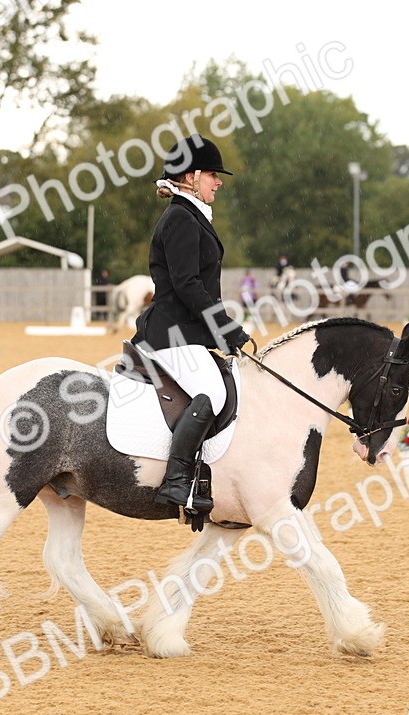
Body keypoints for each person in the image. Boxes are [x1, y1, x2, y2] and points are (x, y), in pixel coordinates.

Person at [131, 134, 250, 513]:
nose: (218, 182)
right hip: (170, 333)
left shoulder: (190, 214)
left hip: (186, 332)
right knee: (212, 393)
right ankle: (178, 480)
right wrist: (227, 328)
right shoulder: (181, 218)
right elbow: (187, 285)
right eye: (213, 174)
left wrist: (220, 331)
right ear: (192, 175)